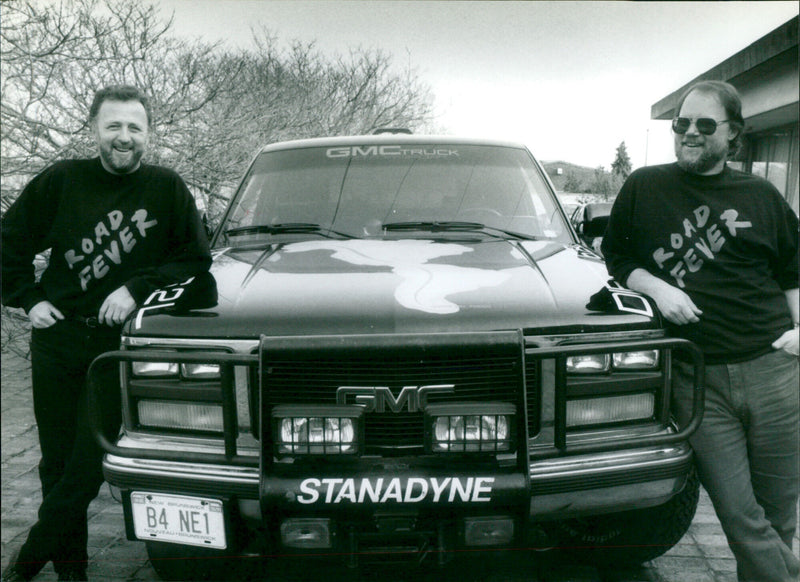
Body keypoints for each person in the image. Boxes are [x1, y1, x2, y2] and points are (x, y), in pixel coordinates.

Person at [1, 85, 211, 581]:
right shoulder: (60, 181)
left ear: (148, 134)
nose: (124, 137)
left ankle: (27, 561)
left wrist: (136, 288)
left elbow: (196, 260)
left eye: (134, 127)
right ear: (93, 129)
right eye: (113, 126)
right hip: (59, 340)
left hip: (120, 349)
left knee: (89, 461)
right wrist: (31, 300)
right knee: (56, 462)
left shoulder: (167, 188)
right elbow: (7, 244)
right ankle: (73, 572)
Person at [601, 80, 799, 582]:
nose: (689, 133)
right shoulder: (644, 187)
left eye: (704, 125)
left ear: (733, 134)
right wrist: (659, 288)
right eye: (682, 123)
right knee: (739, 515)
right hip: (698, 378)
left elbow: (794, 270)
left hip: (774, 370)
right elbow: (617, 257)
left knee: (777, 517)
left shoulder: (760, 194)